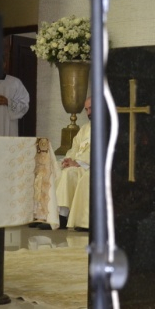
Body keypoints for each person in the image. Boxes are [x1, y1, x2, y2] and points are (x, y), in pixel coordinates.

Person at [55, 97, 91, 230]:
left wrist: (78, 163)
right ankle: (49, 215)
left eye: (91, 108)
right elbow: (74, 147)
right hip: (79, 165)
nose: (88, 113)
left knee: (70, 174)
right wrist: (68, 160)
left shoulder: (106, 127)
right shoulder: (85, 128)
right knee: (57, 171)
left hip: (89, 166)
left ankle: (63, 216)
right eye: (86, 109)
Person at [0, 57, 30, 137]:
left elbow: (24, 105)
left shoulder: (14, 83)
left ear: (4, 64)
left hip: (9, 127)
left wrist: (8, 102)